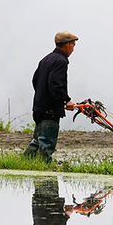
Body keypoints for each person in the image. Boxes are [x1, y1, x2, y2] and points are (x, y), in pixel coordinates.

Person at [23, 31, 78, 162]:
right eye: (73, 46)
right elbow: (55, 83)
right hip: (50, 111)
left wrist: (43, 96)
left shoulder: (46, 59)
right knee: (46, 144)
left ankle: (23, 163)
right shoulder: (61, 61)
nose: (73, 49)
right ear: (67, 45)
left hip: (39, 108)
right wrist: (66, 100)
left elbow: (35, 80)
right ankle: (45, 168)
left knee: (37, 141)